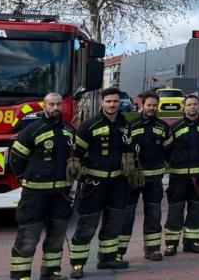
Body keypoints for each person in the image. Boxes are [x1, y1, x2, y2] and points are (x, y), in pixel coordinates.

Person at [7, 93, 75, 280]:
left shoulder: (69, 130)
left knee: (57, 235)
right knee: (29, 236)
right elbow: (16, 159)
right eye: (51, 104)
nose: (55, 108)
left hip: (61, 194)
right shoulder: (32, 131)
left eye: (58, 104)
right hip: (35, 194)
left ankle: (51, 271)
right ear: (44, 106)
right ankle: (20, 274)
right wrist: (25, 179)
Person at [69, 87, 136, 278]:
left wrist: (132, 168)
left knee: (114, 222)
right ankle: (77, 265)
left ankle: (107, 258)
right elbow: (76, 154)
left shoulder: (125, 125)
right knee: (87, 224)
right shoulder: (88, 125)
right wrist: (79, 175)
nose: (112, 105)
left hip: (118, 183)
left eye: (115, 101)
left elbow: (129, 149)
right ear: (102, 102)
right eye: (109, 101)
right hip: (94, 184)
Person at [119, 92, 173, 261]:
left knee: (154, 214)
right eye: (149, 105)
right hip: (132, 180)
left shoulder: (164, 127)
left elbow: (169, 151)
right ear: (142, 105)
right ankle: (119, 252)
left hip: (154, 179)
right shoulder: (130, 125)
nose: (152, 108)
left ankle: (152, 249)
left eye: (154, 105)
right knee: (127, 216)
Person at [163, 94, 199, 256]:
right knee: (175, 210)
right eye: (189, 104)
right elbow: (167, 150)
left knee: (197, 210)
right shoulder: (174, 128)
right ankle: (171, 244)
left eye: (195, 104)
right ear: (184, 107)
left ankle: (192, 242)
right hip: (178, 177)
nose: (192, 107)